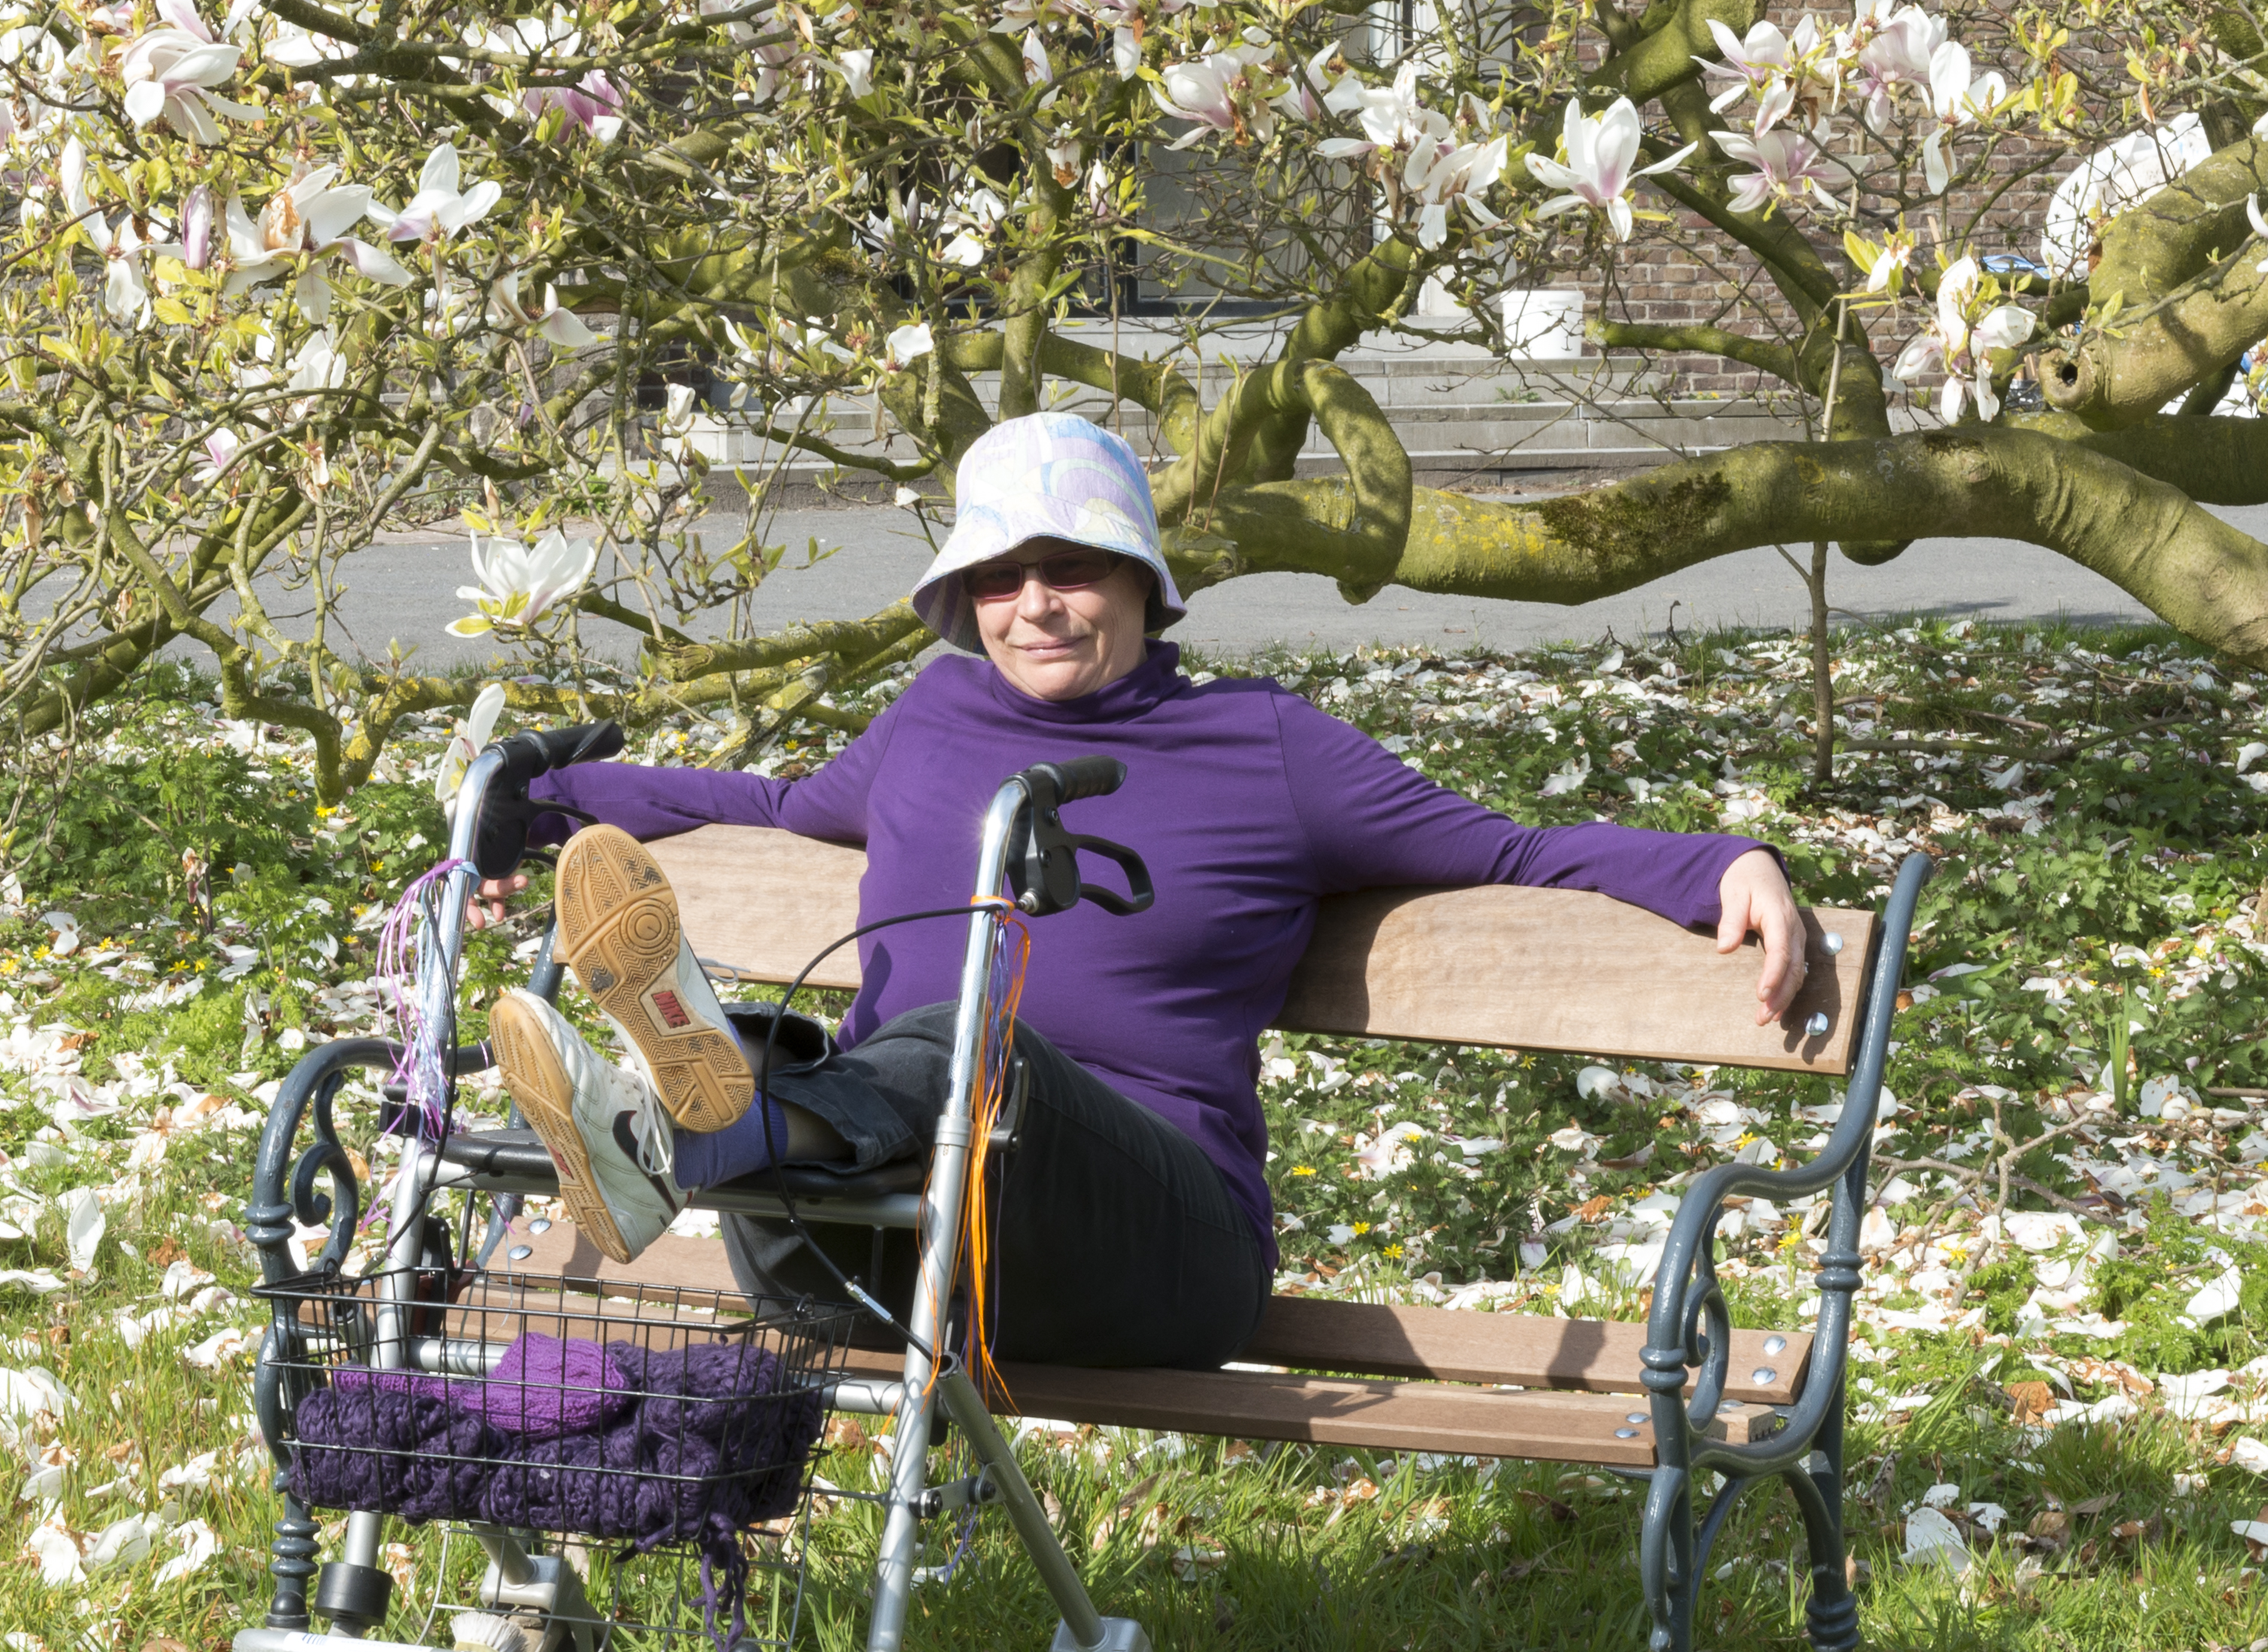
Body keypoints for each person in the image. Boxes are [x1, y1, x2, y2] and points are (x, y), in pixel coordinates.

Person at [481, 411, 1817, 1372]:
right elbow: (775, 810)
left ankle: (691, 1138)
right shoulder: (931, 720)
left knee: (959, 1036)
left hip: (1152, 1263)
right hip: (874, 1265)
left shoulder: (1267, 749)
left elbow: (1512, 852)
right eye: (999, 578)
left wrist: (1721, 864)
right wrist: (538, 804)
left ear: (1142, 585)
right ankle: (718, 1133)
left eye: (1071, 569)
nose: (1036, 605)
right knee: (875, 1076)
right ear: (962, 603)